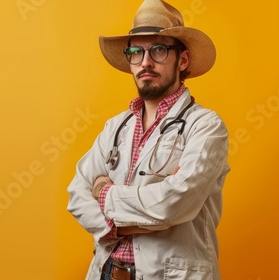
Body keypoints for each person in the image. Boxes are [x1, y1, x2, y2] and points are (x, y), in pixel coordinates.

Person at [66, 0, 230, 279]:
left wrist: (104, 192)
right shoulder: (116, 127)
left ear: (183, 60)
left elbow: (173, 204)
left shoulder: (206, 126)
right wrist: (120, 225)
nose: (145, 62)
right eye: (136, 52)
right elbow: (77, 196)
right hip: (107, 272)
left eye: (158, 50)